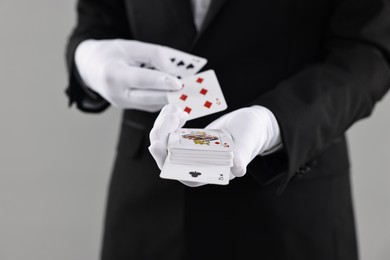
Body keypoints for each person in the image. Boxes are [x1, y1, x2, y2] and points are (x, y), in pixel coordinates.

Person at [65, 0, 390, 259]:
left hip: (288, 209)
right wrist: (88, 61)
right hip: (145, 210)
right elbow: (97, 21)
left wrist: (270, 122)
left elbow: (368, 51)